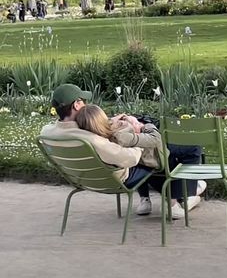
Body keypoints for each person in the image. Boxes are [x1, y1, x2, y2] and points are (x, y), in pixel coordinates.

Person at [41, 84, 206, 219]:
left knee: (161, 153)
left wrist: (110, 122)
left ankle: (156, 198)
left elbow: (85, 128)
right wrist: (136, 133)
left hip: (84, 178)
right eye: (83, 101)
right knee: (162, 155)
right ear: (77, 104)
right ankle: (180, 197)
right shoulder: (91, 140)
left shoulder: (47, 132)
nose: (85, 104)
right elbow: (129, 158)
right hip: (119, 177)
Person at [75, 104, 206, 218]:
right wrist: (143, 125)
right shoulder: (120, 136)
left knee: (150, 158)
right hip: (153, 158)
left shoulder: (96, 137)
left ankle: (145, 199)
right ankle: (181, 197)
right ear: (101, 120)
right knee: (193, 149)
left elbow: (107, 124)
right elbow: (155, 139)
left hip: (137, 162)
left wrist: (124, 118)